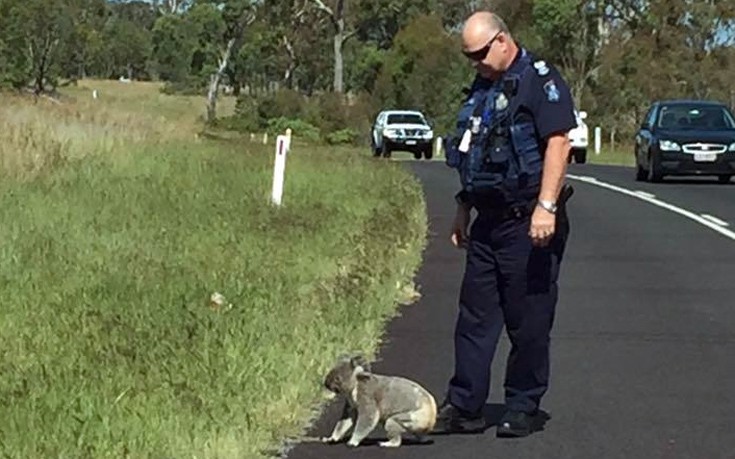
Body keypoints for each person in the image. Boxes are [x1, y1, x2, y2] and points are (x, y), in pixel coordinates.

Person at [436, 10, 577, 438]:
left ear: (502, 40)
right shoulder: (482, 86)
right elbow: (474, 154)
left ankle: (522, 403)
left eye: (480, 52)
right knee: (475, 317)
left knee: (528, 318)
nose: (474, 62)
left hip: (528, 221)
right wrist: (464, 207)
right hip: (487, 221)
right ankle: (465, 404)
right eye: (469, 56)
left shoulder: (540, 80)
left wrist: (546, 207)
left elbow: (559, 142)